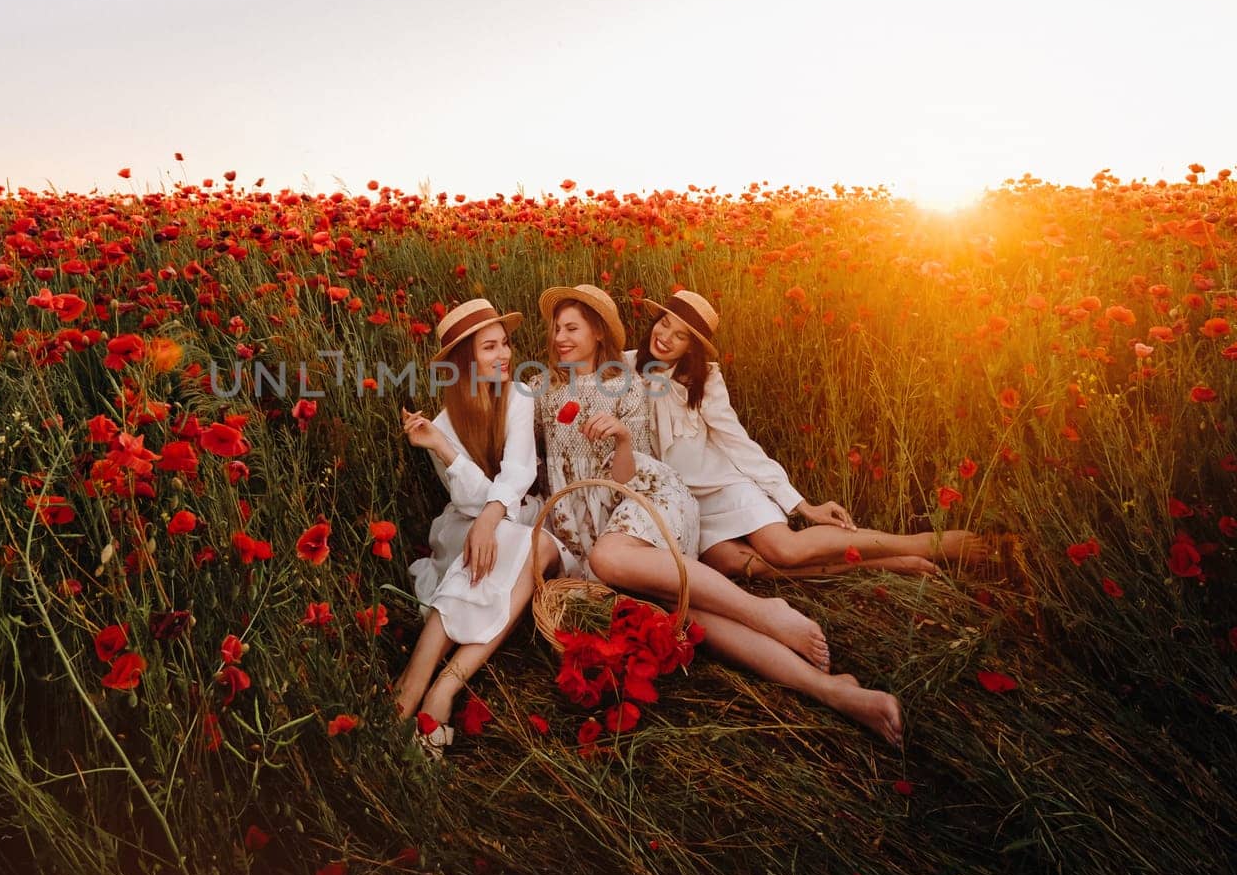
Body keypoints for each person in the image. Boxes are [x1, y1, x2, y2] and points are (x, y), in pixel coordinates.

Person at [525, 285, 833, 676]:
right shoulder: (541, 389)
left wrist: (621, 437)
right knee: (686, 610)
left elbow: (629, 477)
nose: (560, 339)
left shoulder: (627, 385)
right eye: (556, 330)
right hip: (584, 523)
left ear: (598, 332)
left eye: (571, 329)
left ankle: (764, 610)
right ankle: (832, 690)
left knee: (612, 559)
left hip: (641, 499)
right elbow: (513, 437)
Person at [630, 288, 988, 578]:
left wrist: (801, 505)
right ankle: (883, 563)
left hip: (723, 488)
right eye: (664, 324)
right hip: (679, 501)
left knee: (784, 550)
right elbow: (582, 372)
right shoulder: (625, 365)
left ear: (691, 346)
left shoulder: (704, 381)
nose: (665, 338)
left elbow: (739, 444)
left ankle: (921, 544)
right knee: (739, 565)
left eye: (680, 335)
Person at [395, 298, 573, 759]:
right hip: (463, 528)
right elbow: (469, 501)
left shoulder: (518, 397)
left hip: (514, 517)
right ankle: (418, 685)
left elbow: (518, 473)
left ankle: (440, 689)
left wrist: (491, 519)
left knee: (532, 545)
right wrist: (445, 449)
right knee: (501, 546)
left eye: (505, 343)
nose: (505, 355)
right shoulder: (440, 425)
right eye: (489, 347)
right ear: (464, 360)